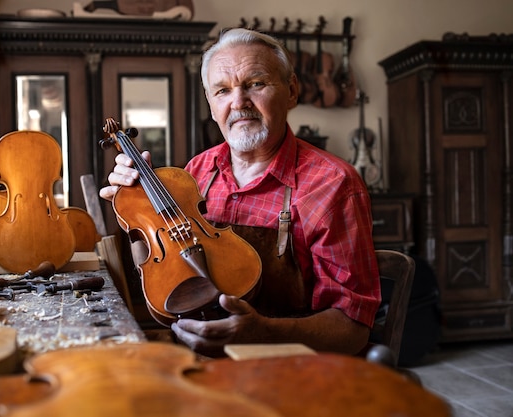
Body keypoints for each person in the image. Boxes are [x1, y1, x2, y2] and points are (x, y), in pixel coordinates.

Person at [100, 28, 381, 357]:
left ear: (291, 92)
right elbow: (162, 277)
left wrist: (262, 334)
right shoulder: (195, 173)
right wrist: (138, 213)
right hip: (200, 360)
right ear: (210, 103)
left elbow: (353, 329)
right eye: (222, 90)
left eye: (255, 84)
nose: (238, 102)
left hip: (292, 372)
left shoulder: (334, 184)